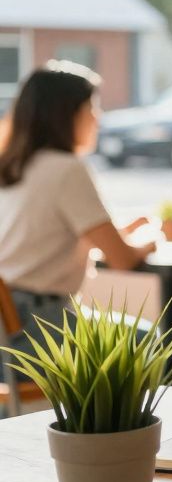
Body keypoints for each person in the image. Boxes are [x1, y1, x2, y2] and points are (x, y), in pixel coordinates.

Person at [0, 62, 153, 344]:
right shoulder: (66, 169)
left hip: (9, 323)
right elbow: (123, 260)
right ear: (66, 114)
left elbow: (45, 239)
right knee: (151, 341)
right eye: (92, 107)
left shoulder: (15, 166)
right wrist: (148, 243)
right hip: (35, 325)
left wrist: (119, 232)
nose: (99, 117)